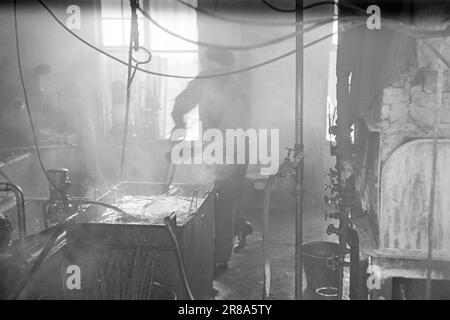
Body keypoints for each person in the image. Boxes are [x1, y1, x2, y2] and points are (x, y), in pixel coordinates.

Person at [171, 48, 253, 277]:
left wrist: (196, 150)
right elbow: (181, 103)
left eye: (220, 73)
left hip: (235, 153)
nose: (214, 76)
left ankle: (219, 258)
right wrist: (178, 120)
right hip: (212, 151)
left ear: (228, 72)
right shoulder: (203, 81)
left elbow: (225, 137)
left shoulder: (237, 95)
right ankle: (241, 227)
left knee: (224, 203)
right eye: (212, 70)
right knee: (213, 202)